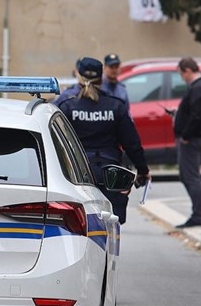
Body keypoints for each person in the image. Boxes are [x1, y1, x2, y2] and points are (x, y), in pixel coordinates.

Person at [55, 57, 151, 224]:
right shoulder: (116, 106)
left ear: (78, 75)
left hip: (78, 174)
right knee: (111, 225)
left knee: (80, 223)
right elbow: (132, 144)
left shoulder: (66, 106)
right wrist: (143, 171)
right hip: (110, 176)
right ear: (101, 78)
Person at [173, 57, 201, 228]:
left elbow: (196, 116)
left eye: (182, 74)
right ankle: (198, 213)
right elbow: (193, 112)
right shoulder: (199, 88)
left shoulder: (198, 88)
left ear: (188, 70)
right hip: (194, 137)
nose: (182, 77)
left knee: (191, 177)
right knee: (187, 176)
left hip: (192, 139)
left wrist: (186, 135)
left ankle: (198, 214)